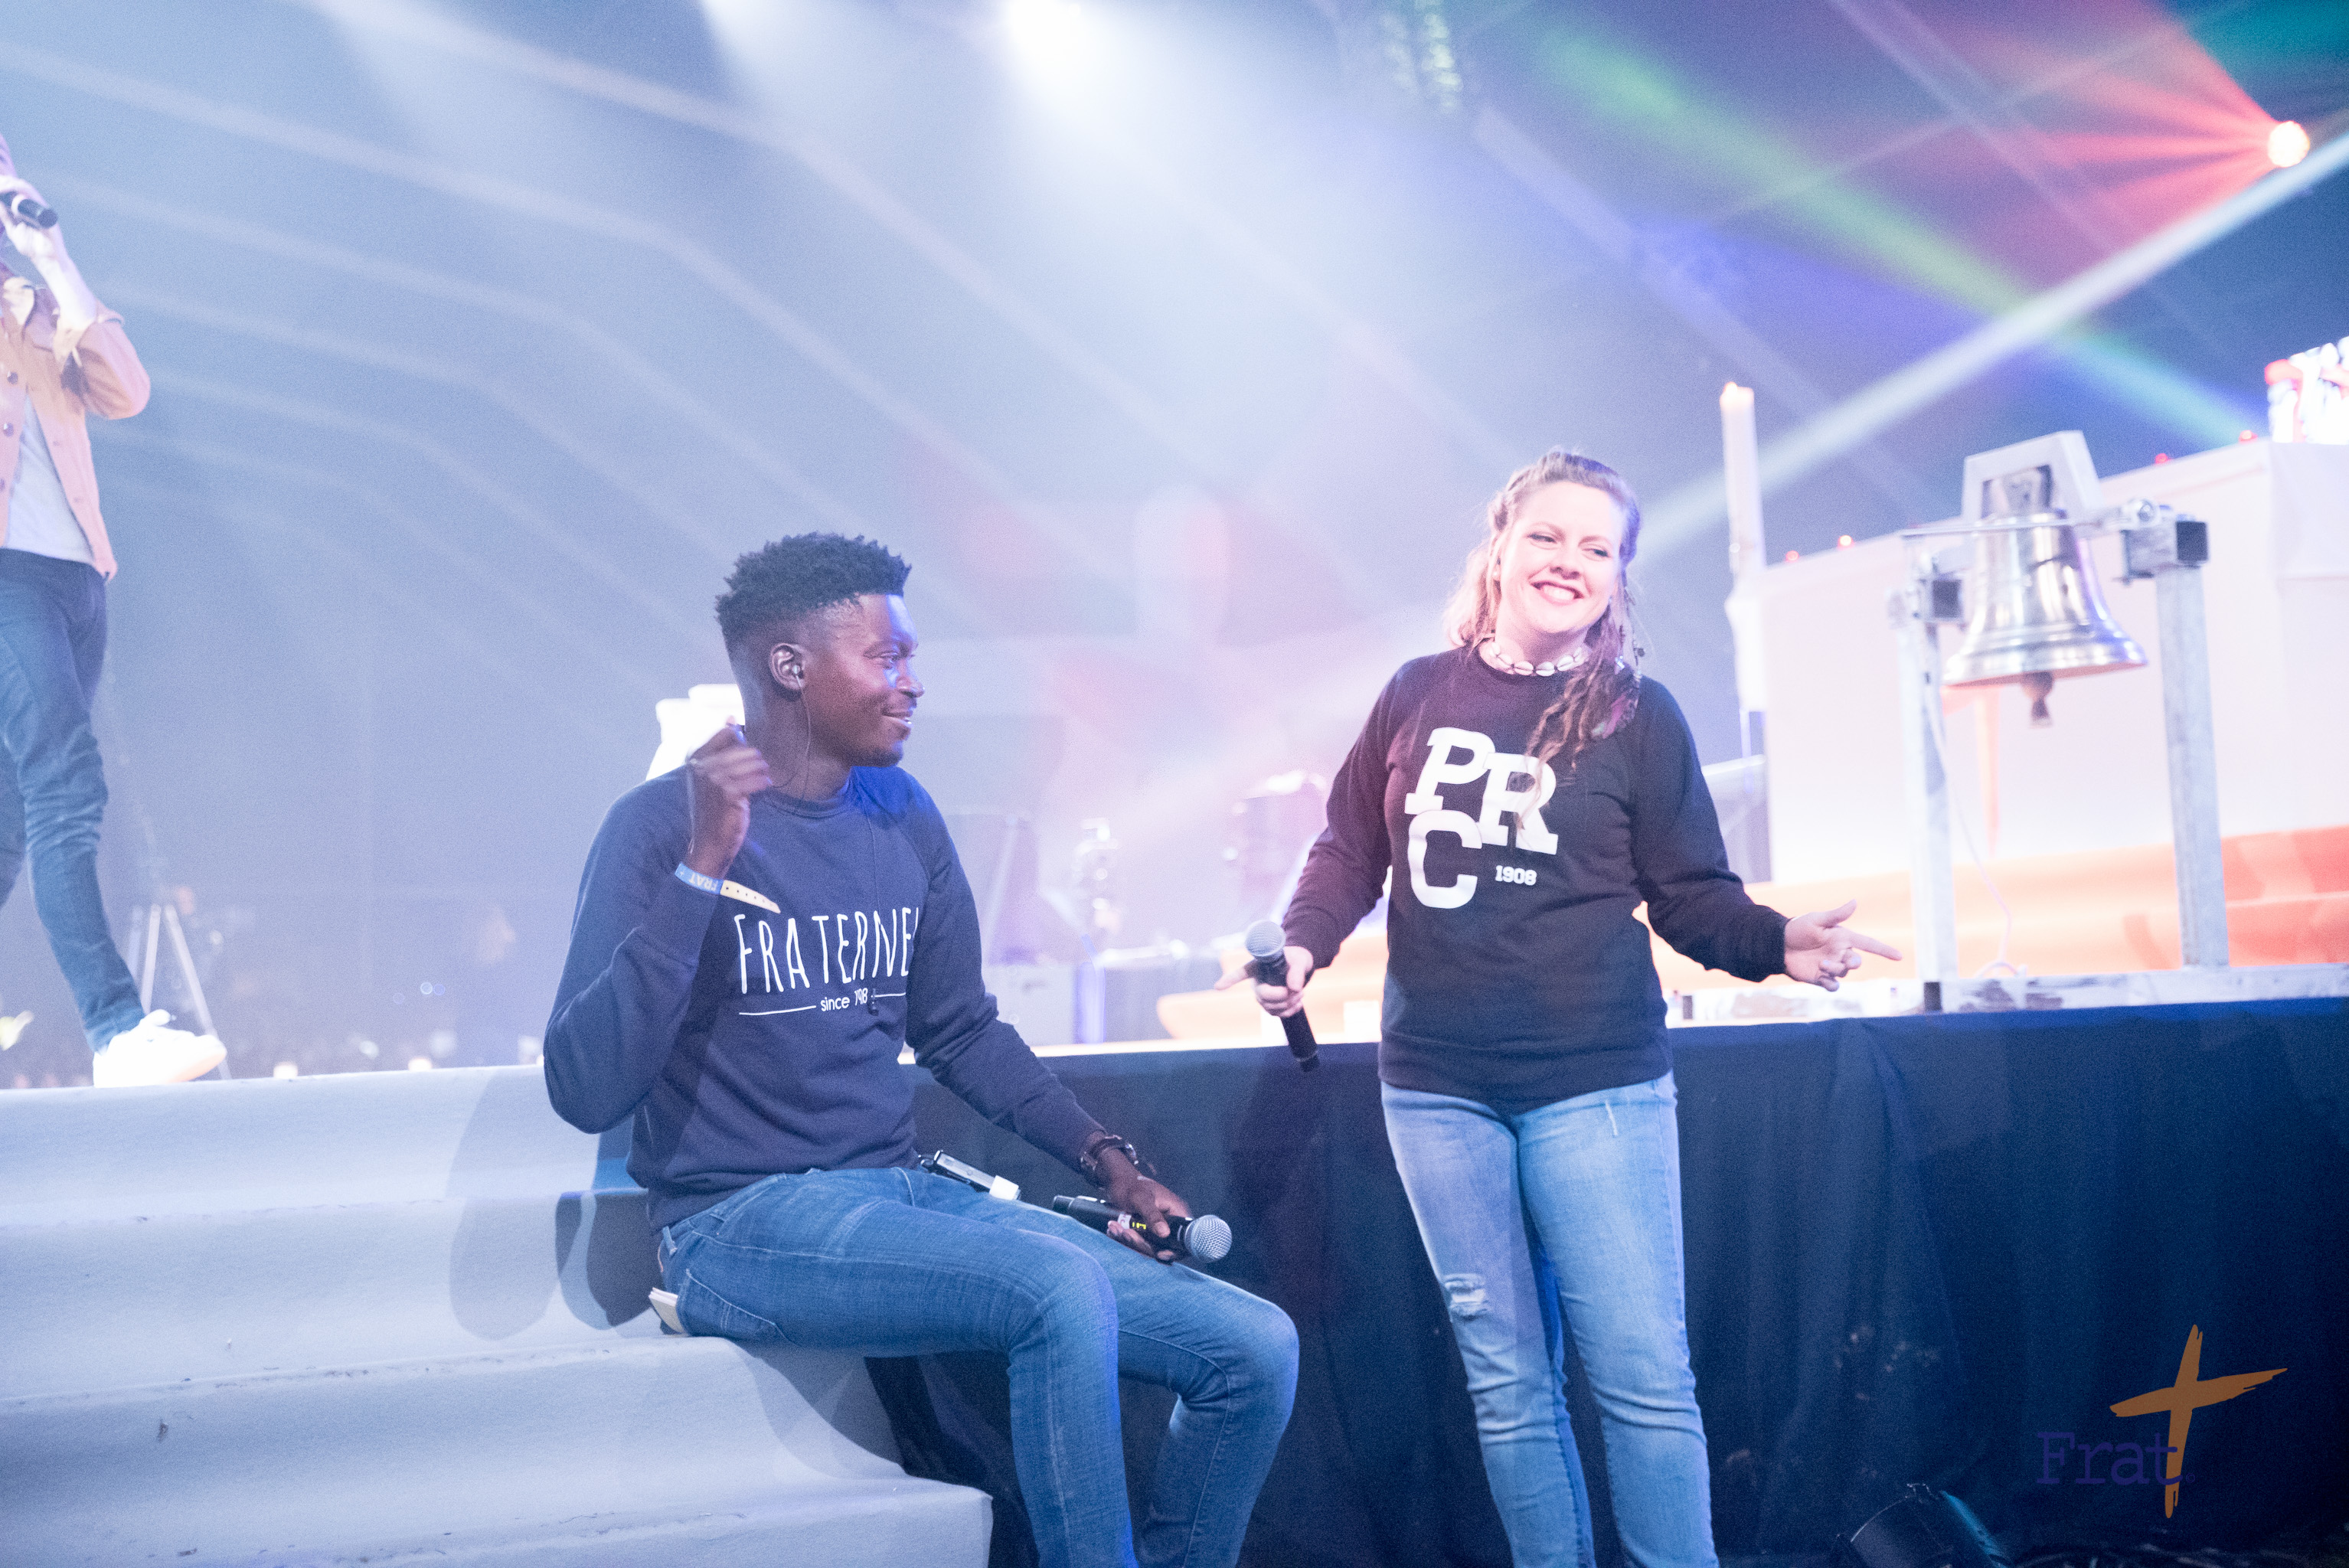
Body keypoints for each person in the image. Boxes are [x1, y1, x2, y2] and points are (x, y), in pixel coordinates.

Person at [543, 533, 1297, 1568]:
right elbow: (585, 1087)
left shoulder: (902, 813)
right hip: (735, 1223)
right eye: (886, 657)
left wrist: (1107, 1161)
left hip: (895, 1193)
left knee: (1254, 1350)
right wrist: (703, 864)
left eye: (910, 657)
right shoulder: (655, 827)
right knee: (1054, 1288)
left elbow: (960, 1029)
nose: (914, 683)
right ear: (790, 665)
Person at [1227, 450, 1897, 1568]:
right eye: (1547, 535)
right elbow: (1348, 848)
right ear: (1500, 546)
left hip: (1594, 1083)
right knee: (1508, 1385)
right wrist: (1303, 941)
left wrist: (1778, 942)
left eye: (1597, 548)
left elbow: (1689, 896)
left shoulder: (1636, 714)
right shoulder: (1415, 691)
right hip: (1436, 1089)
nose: (1567, 561)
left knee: (1641, 1380)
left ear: (1617, 578)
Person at [0, 133, 223, 1087]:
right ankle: (116, 1028)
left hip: (77, 577)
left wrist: (54, 259)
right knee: (65, 783)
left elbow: (125, 390)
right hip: (6, 577)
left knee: (13, 815)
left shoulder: (37, 306)